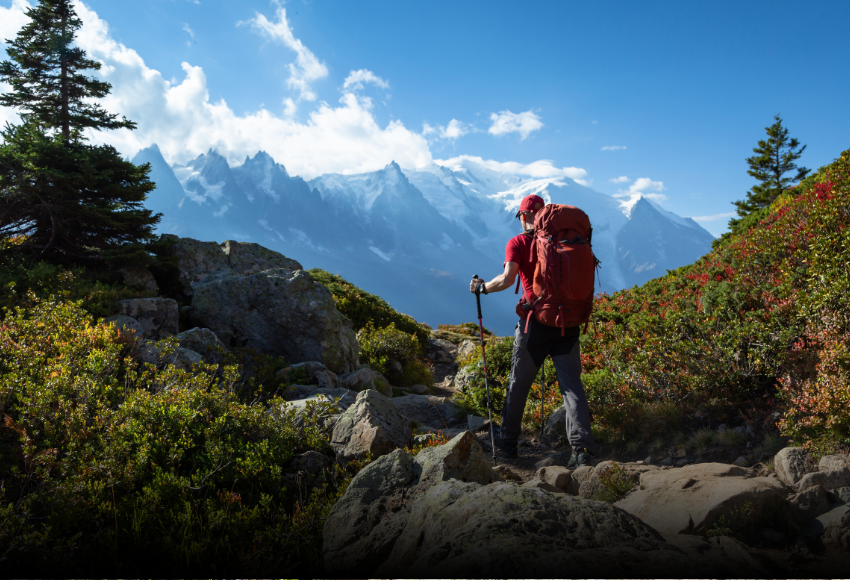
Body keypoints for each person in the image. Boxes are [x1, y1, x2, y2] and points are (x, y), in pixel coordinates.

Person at [469, 193, 597, 468]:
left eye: (520, 216)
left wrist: (482, 287)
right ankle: (582, 450)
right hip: (569, 323)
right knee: (572, 387)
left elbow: (507, 279)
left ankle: (508, 446)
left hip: (535, 325)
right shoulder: (570, 238)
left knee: (518, 386)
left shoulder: (518, 242)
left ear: (525, 216)